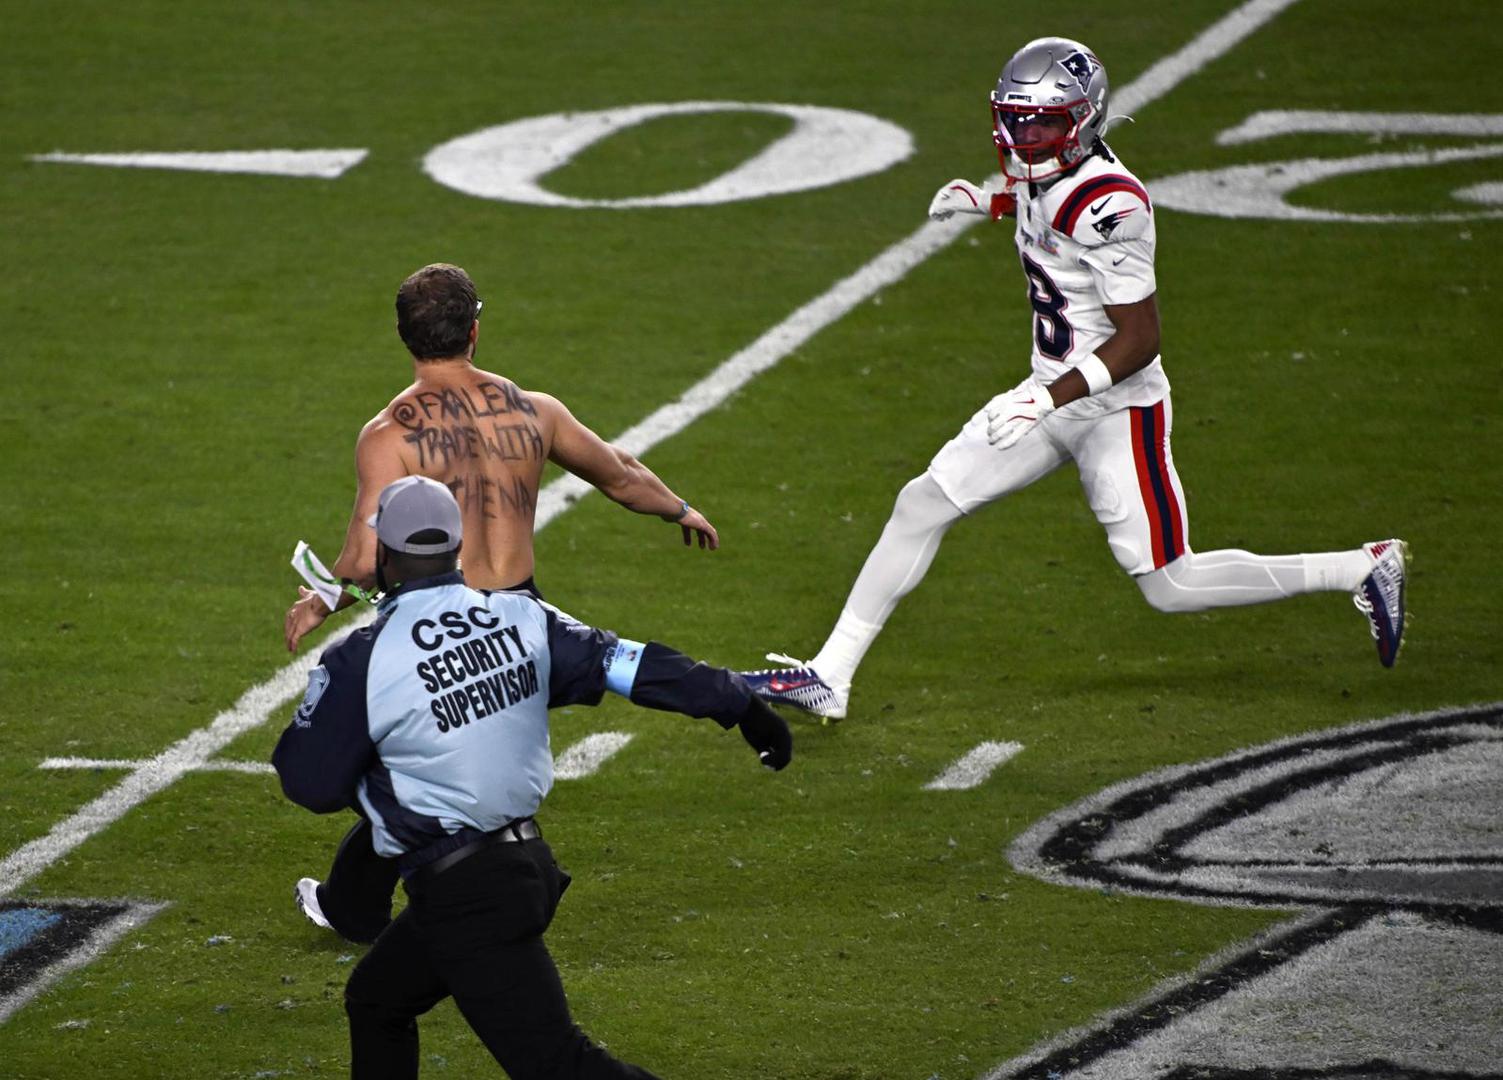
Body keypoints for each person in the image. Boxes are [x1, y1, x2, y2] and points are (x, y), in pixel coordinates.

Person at [740, 37, 1410, 722]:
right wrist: (990, 205)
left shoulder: (1108, 203)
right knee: (921, 504)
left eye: (1044, 122)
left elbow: (1140, 340)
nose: (1024, 136)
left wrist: (1045, 396)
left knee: (1169, 584)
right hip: (1051, 397)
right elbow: (1044, 210)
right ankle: (830, 675)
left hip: (1115, 407)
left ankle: (1360, 567)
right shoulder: (1047, 176)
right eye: (1015, 118)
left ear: (1083, 120)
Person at [272, 475, 791, 1080]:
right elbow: (634, 664)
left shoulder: (361, 659)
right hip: (519, 867)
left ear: (383, 555)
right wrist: (741, 704)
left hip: (466, 894)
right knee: (378, 999)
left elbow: (309, 783)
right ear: (458, 547)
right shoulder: (522, 616)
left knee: (559, 1066)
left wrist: (378, 764)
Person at [284, 262, 720, 943]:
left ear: (404, 338)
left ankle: (422, 899)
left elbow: (366, 559)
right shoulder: (534, 411)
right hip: (525, 623)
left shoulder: (389, 435)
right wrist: (681, 509)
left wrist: (321, 598)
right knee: (446, 771)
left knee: (395, 776)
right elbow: (620, 473)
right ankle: (737, 699)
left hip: (438, 629)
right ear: (475, 330)